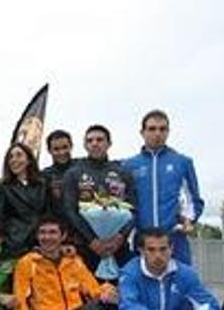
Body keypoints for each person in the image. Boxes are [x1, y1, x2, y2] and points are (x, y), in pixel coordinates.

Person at [123, 110, 204, 264]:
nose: (157, 133)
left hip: (174, 241)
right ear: (142, 132)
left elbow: (194, 200)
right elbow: (123, 204)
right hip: (141, 241)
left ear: (168, 132)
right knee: (142, 285)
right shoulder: (129, 165)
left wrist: (187, 221)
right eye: (152, 129)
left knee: (179, 285)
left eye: (162, 129)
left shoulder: (183, 162)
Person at [61, 125, 136, 276]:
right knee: (89, 296)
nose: (95, 143)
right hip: (86, 248)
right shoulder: (73, 173)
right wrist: (92, 241)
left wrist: (121, 237)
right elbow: (70, 210)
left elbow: (134, 208)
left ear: (109, 143)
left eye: (100, 140)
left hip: (118, 247)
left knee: (119, 294)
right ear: (84, 145)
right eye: (90, 140)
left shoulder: (123, 172)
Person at [0, 142, 49, 257]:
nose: (14, 160)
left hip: (41, 242)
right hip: (16, 244)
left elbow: (48, 212)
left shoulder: (42, 184)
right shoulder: (3, 187)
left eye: (19, 155)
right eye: (10, 157)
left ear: (29, 160)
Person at [40, 130, 75, 203]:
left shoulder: (83, 167)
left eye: (65, 147)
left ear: (71, 146)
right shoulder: (44, 176)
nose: (61, 152)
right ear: (49, 150)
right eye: (56, 149)